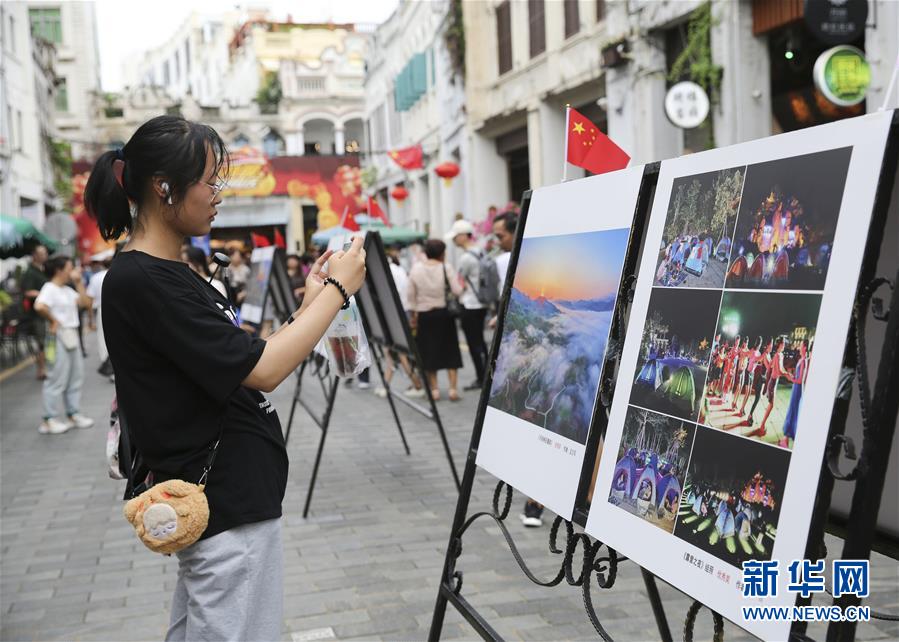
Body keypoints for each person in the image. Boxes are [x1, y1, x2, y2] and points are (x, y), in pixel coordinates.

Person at [84, 114, 366, 642]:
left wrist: (309, 301)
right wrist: (338, 293)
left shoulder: (162, 273)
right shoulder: (143, 279)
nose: (219, 194)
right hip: (223, 506)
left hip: (226, 501)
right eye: (209, 181)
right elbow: (263, 370)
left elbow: (238, 357)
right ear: (163, 187)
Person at [34, 255, 95, 434]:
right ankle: (48, 419)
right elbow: (40, 306)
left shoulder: (67, 290)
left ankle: (73, 413)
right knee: (56, 377)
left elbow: (85, 303)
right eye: (70, 267)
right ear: (60, 270)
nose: (73, 270)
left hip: (71, 335)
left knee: (75, 376)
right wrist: (54, 321)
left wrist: (78, 283)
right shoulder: (50, 288)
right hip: (58, 337)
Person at [407, 239, 463, 402]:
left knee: (429, 352)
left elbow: (410, 295)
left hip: (425, 316)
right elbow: (457, 291)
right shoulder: (446, 267)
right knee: (451, 350)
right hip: (444, 314)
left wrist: (413, 315)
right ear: (441, 253)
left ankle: (435, 390)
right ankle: (453, 389)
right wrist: (462, 285)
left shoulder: (416, 269)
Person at [374, 246, 424, 399]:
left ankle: (416, 384)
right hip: (402, 312)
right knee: (393, 351)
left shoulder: (387, 272)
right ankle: (388, 383)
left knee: (396, 351)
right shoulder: (398, 269)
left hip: (393, 314)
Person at [447, 219, 488, 391]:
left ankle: (481, 377)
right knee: (481, 341)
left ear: (464, 236)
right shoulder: (481, 252)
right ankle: (487, 374)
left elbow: (459, 286)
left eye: (456, 236)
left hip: (469, 305)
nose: (454, 240)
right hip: (482, 303)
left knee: (473, 343)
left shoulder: (465, 258)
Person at [19, 245, 49, 379]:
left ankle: (48, 366)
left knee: (49, 340)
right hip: (36, 313)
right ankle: (41, 369)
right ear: (34, 255)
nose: (44, 256)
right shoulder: (30, 272)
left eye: (45, 253)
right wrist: (44, 294)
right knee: (41, 341)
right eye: (41, 253)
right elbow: (27, 292)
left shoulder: (45, 270)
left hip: (48, 311)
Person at [86, 252, 114, 378]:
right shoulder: (117, 274)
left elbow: (90, 300)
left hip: (101, 310)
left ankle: (109, 370)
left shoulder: (96, 277)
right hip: (117, 307)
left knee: (103, 340)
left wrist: (90, 319)